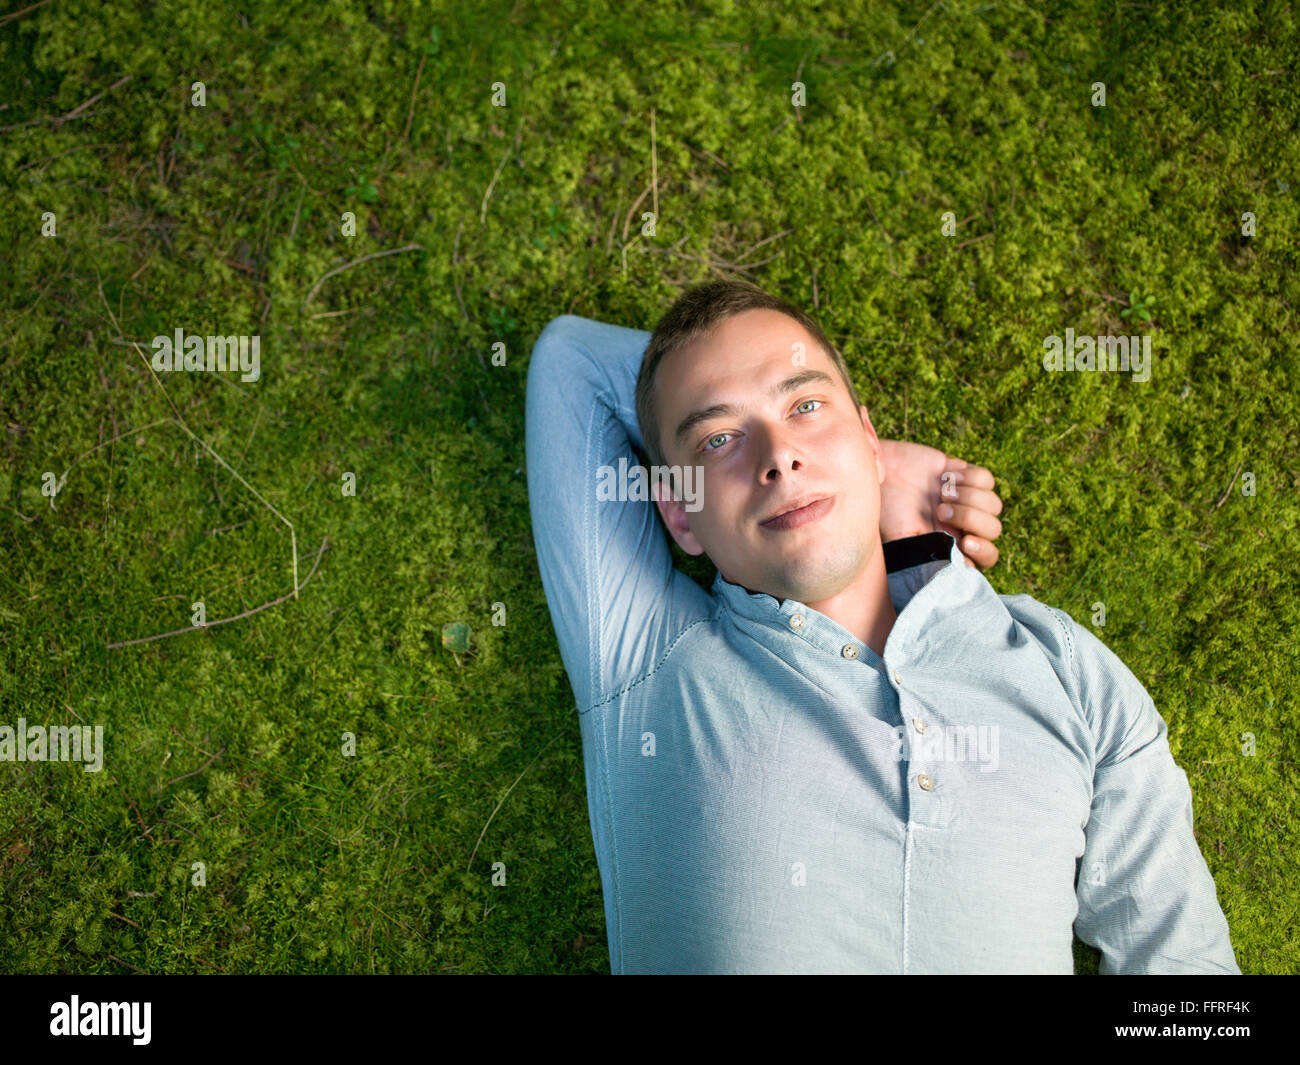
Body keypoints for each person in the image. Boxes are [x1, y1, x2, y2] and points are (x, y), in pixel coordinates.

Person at [524, 279, 1239, 975]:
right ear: (679, 513)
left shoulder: (1064, 666)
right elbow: (571, 362)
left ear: (867, 433)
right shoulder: (647, 662)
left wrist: (856, 463)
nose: (779, 456)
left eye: (805, 405)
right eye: (717, 440)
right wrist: (858, 464)